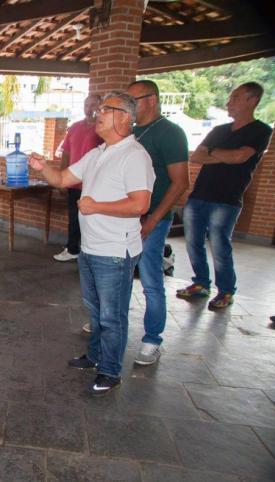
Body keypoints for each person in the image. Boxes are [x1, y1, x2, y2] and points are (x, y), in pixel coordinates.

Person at [28, 91, 155, 396]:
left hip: (115, 252)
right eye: (99, 108)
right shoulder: (99, 153)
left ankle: (111, 371)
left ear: (124, 117)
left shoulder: (134, 155)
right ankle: (96, 355)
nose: (98, 113)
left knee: (113, 316)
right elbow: (62, 179)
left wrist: (97, 206)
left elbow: (141, 204)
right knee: (95, 310)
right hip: (91, 247)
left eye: (105, 109)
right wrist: (43, 166)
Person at [177, 82, 273, 310]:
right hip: (200, 194)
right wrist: (222, 155)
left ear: (252, 100)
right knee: (193, 242)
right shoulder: (220, 130)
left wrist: (213, 152)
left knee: (220, 245)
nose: (229, 102)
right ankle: (200, 283)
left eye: (236, 98)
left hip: (227, 198)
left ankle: (226, 290)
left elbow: (240, 157)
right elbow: (196, 156)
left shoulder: (261, 131)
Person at [125, 80, 189, 366]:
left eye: (133, 101)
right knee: (119, 275)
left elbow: (180, 182)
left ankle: (152, 339)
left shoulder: (170, 133)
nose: (130, 108)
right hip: (125, 217)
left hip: (152, 217)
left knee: (150, 279)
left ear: (152, 99)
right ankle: (111, 324)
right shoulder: (131, 133)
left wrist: (154, 219)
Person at [53, 94, 102, 262]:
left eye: (93, 105)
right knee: (74, 217)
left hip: (93, 183)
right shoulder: (74, 127)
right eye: (86, 105)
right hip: (74, 181)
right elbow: (66, 153)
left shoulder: (101, 129)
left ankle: (90, 251)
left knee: (92, 219)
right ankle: (73, 248)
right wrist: (61, 175)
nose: (89, 108)